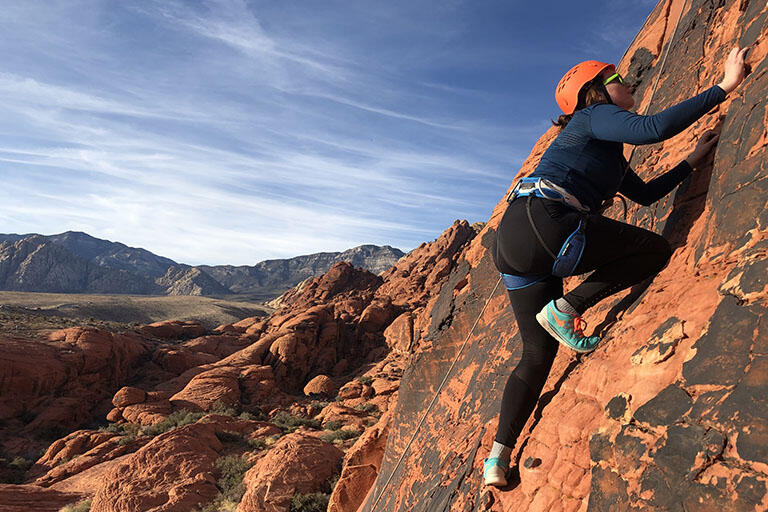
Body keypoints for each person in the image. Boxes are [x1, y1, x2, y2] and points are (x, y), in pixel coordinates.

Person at [483, 46, 748, 487]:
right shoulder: (591, 118)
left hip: (515, 238)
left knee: (536, 353)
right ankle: (567, 308)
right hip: (548, 222)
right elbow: (654, 127)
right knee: (654, 250)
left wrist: (691, 161)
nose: (628, 81)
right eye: (616, 77)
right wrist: (725, 85)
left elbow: (643, 196)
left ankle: (497, 457)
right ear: (595, 93)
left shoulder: (603, 149)